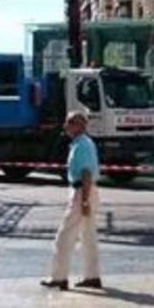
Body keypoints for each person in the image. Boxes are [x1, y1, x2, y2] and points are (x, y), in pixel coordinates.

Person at [41, 111, 102, 291]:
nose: (65, 126)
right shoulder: (83, 143)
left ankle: (59, 277)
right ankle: (92, 276)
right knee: (88, 235)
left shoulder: (81, 145)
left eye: (69, 122)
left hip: (82, 191)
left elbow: (86, 173)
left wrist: (83, 201)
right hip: (87, 191)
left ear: (78, 125)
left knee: (64, 236)